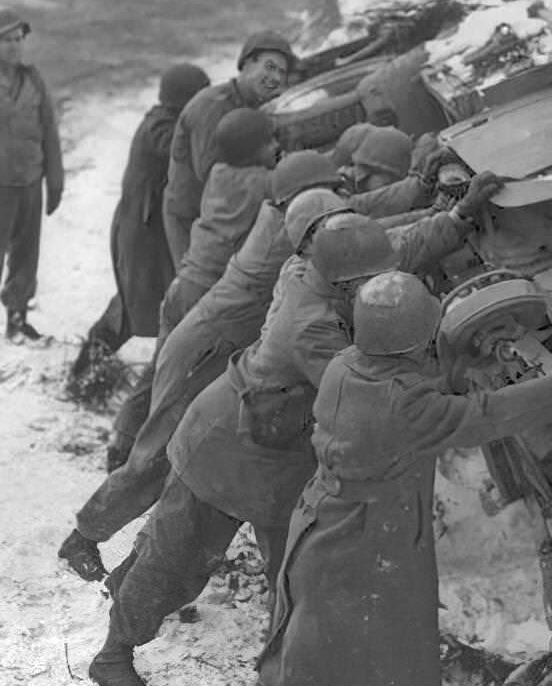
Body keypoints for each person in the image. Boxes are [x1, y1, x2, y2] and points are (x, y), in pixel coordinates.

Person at [87, 173, 501, 686]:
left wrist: (458, 218)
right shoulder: (310, 327)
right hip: (228, 450)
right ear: (348, 282)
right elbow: (373, 394)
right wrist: (448, 373)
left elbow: (392, 249)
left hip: (276, 454)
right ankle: (113, 655)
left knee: (297, 575)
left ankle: (288, 684)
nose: (381, 284)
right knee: (177, 566)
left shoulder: (326, 264)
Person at [211, 271, 552, 686]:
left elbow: (422, 390)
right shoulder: (406, 407)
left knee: (362, 651)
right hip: (355, 549)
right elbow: (484, 415)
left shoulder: (348, 366)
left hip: (348, 533)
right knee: (305, 672)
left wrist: (462, 365)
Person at [58, 146, 437, 584]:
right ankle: (84, 536)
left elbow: (363, 222)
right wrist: (429, 208)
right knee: (160, 458)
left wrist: (423, 198)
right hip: (205, 349)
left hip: (222, 346)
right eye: (331, 192)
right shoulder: (291, 238)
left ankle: (136, 566)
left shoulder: (301, 225)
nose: (342, 200)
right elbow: (369, 233)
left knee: (188, 467)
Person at [105, 107, 280, 469]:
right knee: (187, 389)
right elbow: (296, 185)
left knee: (160, 371)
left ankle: (122, 441)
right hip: (207, 296)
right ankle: (155, 464)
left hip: (182, 285)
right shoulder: (262, 184)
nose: (277, 146)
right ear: (253, 150)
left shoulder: (218, 173)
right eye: (270, 141)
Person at [70, 64, 211, 383]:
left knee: (152, 301)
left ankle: (92, 370)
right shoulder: (160, 129)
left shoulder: (167, 122)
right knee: (135, 306)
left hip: (152, 231)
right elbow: (186, 153)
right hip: (142, 234)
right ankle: (85, 372)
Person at [161, 30, 295, 267]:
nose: (275, 78)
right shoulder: (212, 107)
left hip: (225, 217)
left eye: (281, 73)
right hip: (193, 220)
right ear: (246, 64)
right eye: (270, 67)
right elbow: (212, 175)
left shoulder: (255, 105)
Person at [0, 7, 64, 341]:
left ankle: (17, 318)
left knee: (26, 252)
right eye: (6, 39)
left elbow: (49, 132)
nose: (14, 46)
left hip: (29, 181)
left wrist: (54, 181)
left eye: (18, 39)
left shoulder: (33, 80)